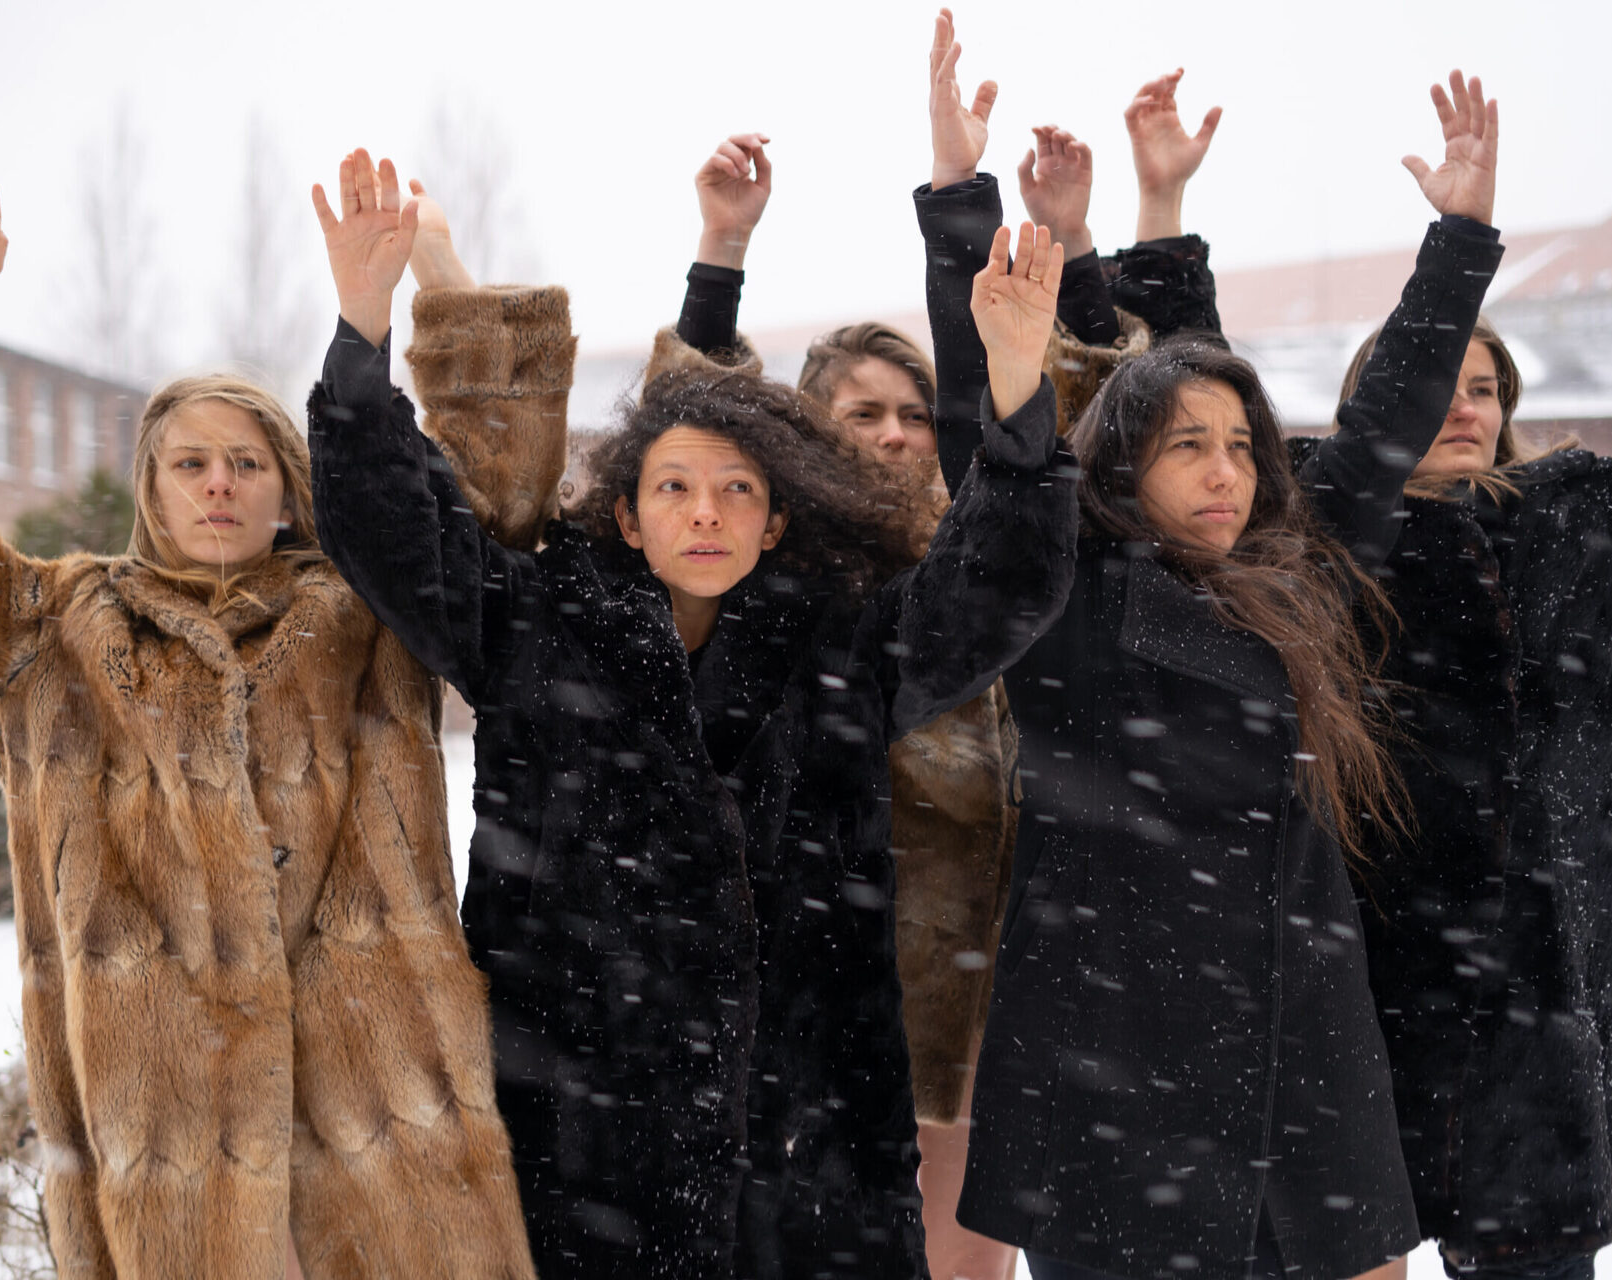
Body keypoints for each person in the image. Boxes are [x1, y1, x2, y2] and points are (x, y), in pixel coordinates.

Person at [305, 146, 1081, 1279]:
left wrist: (1015, 387)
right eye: (674, 487)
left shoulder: (844, 645)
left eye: (737, 491)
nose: (705, 514)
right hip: (585, 1149)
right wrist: (362, 325)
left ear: (777, 520)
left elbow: (997, 587)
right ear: (627, 515)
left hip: (809, 1152)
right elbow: (391, 529)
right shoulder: (537, 627)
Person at [0, 177, 534, 1279]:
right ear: (150, 483)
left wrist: (436, 276)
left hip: (391, 1150)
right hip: (169, 1166)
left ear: (288, 484)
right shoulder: (50, 628)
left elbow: (498, 500)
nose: (219, 485)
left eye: (247, 462)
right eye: (191, 463)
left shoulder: (372, 608)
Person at [918, 48, 1507, 1279]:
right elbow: (999, 463)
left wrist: (1457, 239)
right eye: (1189, 446)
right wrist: (964, 208)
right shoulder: (1066, 589)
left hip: (1305, 1051)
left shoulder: (1296, 572)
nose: (1226, 471)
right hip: (1118, 1074)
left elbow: (1384, 426)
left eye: (1240, 444)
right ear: (1124, 464)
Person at [1320, 107, 1612, 1276]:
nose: (1465, 405)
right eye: (1439, 381)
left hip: (1547, 1020)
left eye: (1485, 387)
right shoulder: (1324, 544)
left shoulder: (1587, 523)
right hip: (1366, 989)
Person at [665, 107, 1021, 1280]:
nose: (897, 434)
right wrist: (721, 252)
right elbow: (689, 428)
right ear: (809, 431)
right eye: (863, 412)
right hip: (811, 985)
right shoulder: (767, 575)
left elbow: (1007, 439)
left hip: (969, 979)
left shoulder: (976, 576)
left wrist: (963, 197)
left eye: (914, 414)